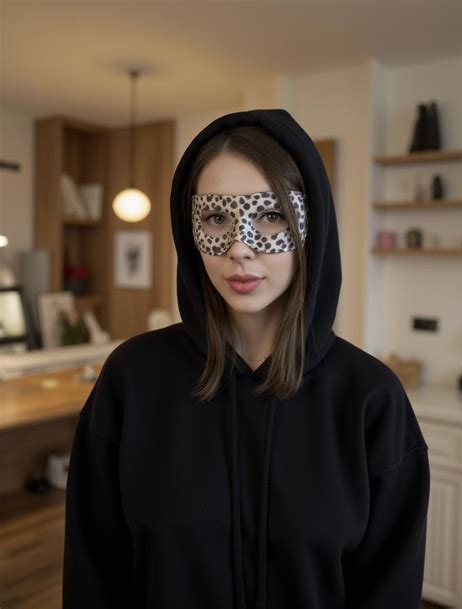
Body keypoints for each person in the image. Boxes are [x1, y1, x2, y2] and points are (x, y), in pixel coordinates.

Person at [62, 108, 430, 609]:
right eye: (216, 217)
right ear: (190, 229)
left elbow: (389, 591)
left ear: (311, 226)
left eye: (271, 215)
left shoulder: (371, 400)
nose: (240, 247)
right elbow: (94, 571)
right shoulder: (132, 380)